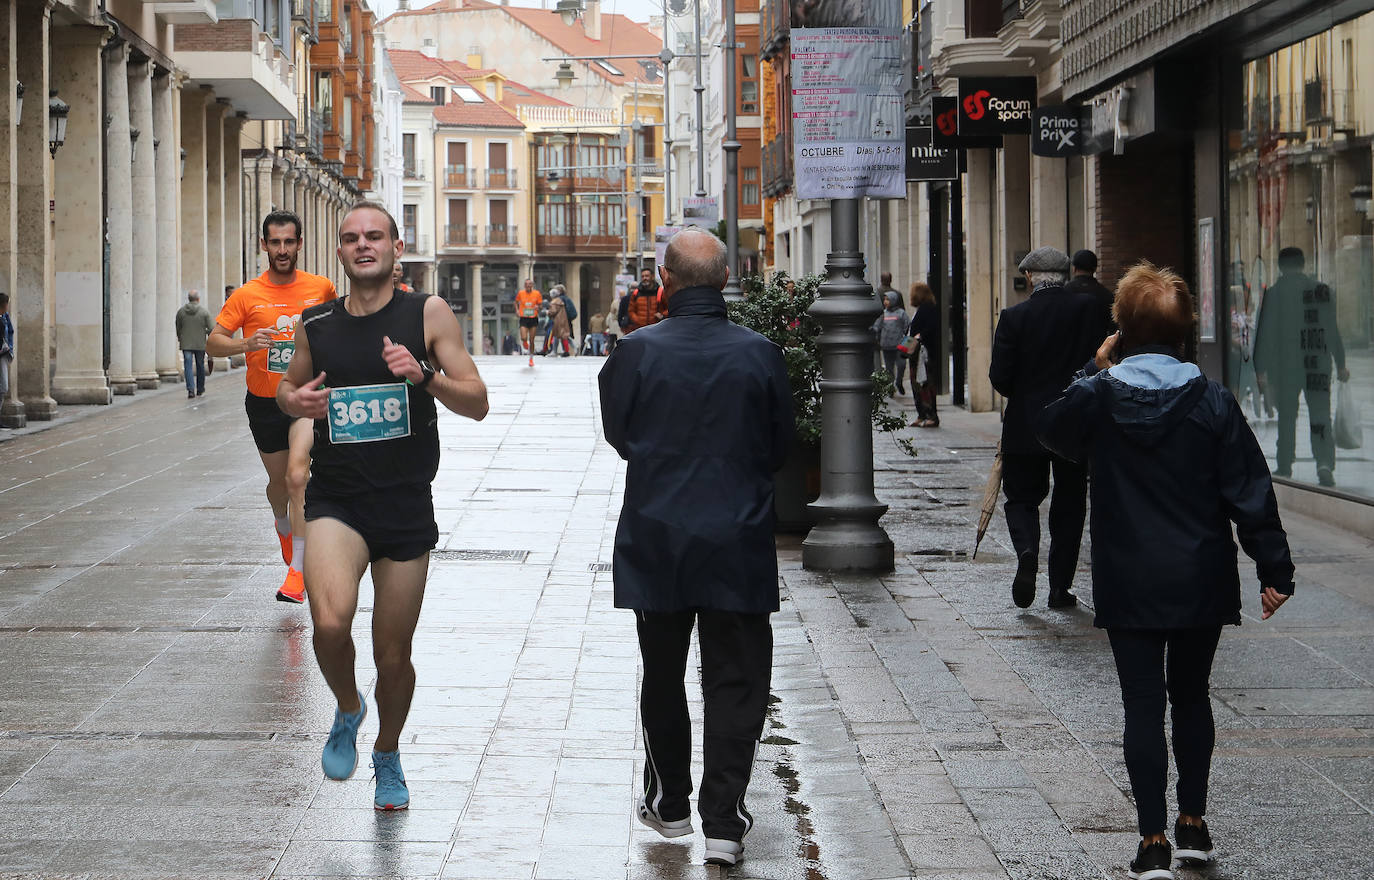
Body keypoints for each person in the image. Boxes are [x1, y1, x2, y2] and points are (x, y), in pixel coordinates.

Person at [1036, 261, 1294, 880]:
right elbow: (1249, 490)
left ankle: (1151, 839)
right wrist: (1274, 568)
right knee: (1191, 697)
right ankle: (1194, 826)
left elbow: (1050, 430)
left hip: (1129, 575)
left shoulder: (1099, 394)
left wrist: (1091, 372)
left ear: (1120, 330)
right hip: (1200, 573)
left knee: (1143, 704)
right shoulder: (1212, 399)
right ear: (1183, 333)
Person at [277, 200, 489, 811]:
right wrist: (298, 405)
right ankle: (348, 706)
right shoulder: (315, 326)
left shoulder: (426, 312)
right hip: (337, 500)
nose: (362, 245)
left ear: (397, 247)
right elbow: (289, 390)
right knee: (329, 623)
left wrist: (424, 376)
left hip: (404, 506)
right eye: (350, 238)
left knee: (393, 652)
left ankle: (388, 752)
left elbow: (476, 400)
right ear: (339, 252)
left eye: (375, 236)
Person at [599, 227, 793, 869]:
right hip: (737, 533)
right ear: (726, 279)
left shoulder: (635, 352)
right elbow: (781, 445)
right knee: (737, 677)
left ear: (667, 279)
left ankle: (671, 800)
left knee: (662, 672)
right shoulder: (761, 353)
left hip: (659, 534)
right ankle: (724, 819)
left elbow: (620, 435)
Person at [209, 210, 337, 604]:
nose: (282, 250)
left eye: (289, 242)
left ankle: (297, 570)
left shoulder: (322, 289)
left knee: (300, 478)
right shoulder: (246, 295)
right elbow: (214, 342)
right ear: (263, 245)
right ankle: (283, 524)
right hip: (264, 403)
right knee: (280, 484)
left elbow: (337, 331)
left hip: (303, 398)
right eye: (275, 242)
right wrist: (246, 345)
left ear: (300, 243)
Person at [989, 245, 1110, 610]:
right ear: (1066, 275)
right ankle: (1060, 588)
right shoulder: (1089, 311)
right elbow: (1103, 359)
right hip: (1074, 421)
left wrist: (1025, 395)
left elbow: (1000, 378)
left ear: (1029, 277)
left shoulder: (1013, 317)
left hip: (1026, 423)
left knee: (1022, 498)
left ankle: (1027, 550)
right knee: (1070, 504)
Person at [1253, 246, 1349, 486]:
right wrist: (1341, 363)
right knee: (1320, 413)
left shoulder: (1274, 294)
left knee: (1287, 415)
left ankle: (1285, 463)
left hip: (1286, 367)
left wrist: (1260, 369)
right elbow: (1332, 330)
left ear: (1280, 267)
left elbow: (1264, 334)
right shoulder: (1321, 291)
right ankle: (1324, 462)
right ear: (1303, 264)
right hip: (1318, 363)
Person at [908, 281, 940, 427]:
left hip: (923, 352)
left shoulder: (928, 308)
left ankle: (931, 415)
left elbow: (931, 328)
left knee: (926, 383)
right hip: (916, 353)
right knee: (917, 383)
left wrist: (919, 336)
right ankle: (921, 414)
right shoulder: (920, 309)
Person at [1063, 249, 1115, 331]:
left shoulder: (1064, 292)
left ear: (1074, 268)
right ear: (1095, 269)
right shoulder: (1106, 294)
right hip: (1100, 342)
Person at [175, 290, 213, 399]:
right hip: (200, 343)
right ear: (198, 299)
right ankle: (200, 389)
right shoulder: (204, 312)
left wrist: (180, 337)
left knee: (188, 366)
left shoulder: (181, 312)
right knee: (200, 365)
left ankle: (190, 389)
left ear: (188, 298)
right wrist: (204, 332)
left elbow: (178, 327)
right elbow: (211, 328)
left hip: (186, 342)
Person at [870, 291, 907, 396]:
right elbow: (877, 326)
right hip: (886, 346)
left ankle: (899, 382)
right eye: (885, 299)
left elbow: (907, 326)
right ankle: (891, 388)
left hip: (899, 346)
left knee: (901, 365)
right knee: (889, 369)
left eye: (888, 299)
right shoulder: (883, 314)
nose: (885, 302)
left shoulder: (901, 313)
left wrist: (906, 340)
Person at [619, 267, 667, 334]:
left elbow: (669, 308)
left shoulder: (661, 292)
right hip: (641, 329)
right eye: (643, 276)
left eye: (647, 276)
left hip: (657, 329)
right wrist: (637, 320)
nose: (644, 278)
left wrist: (662, 315)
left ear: (652, 277)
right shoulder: (636, 293)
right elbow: (631, 311)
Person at [514, 278, 543, 366]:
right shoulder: (521, 293)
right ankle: (524, 343)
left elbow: (540, 305)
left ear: (532, 285)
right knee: (523, 337)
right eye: (526, 284)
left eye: (530, 284)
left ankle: (531, 358)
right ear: (524, 286)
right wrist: (517, 310)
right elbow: (515, 302)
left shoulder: (537, 293)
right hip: (524, 317)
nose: (528, 286)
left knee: (532, 339)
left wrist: (538, 307)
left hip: (533, 317)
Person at [0, 293, 14, 404]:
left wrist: (10, 349)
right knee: (3, 387)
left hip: (3, 354)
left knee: (4, 387)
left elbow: (10, 331)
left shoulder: (5, 316)